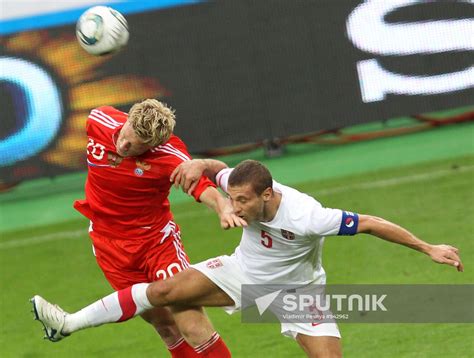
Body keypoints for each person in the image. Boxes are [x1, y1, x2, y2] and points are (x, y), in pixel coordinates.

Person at [32, 159, 463, 357]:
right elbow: (215, 171)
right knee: (165, 292)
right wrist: (201, 163)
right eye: (232, 199)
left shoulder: (308, 216)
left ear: (268, 196)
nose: (234, 208)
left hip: (298, 294)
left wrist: (428, 248)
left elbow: (369, 222)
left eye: (241, 201)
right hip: (240, 273)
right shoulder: (239, 188)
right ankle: (68, 324)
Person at [38, 99, 245, 357]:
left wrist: (222, 206)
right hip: (108, 245)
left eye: (134, 146)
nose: (123, 145)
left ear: (153, 146)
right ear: (127, 120)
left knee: (190, 321)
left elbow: (201, 185)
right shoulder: (98, 120)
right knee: (163, 325)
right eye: (126, 135)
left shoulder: (169, 156)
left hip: (156, 244)